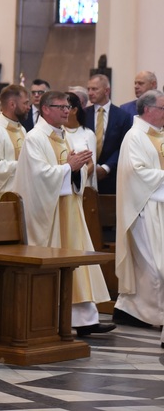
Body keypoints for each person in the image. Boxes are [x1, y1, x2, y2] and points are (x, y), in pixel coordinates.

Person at [13, 90, 113, 336]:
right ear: (46, 109)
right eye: (60, 107)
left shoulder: (64, 136)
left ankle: (85, 319)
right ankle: (55, 317)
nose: (66, 111)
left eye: (68, 107)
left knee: (77, 262)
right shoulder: (35, 138)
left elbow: (69, 172)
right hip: (50, 213)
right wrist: (70, 167)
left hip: (69, 208)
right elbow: (39, 177)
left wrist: (79, 169)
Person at [114, 89, 164, 330]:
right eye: (163, 109)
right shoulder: (134, 136)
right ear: (148, 110)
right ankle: (145, 313)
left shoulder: (159, 135)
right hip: (143, 208)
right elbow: (136, 173)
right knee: (154, 266)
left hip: (159, 207)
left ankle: (130, 310)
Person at [87, 73, 134, 194]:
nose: (90, 93)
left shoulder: (122, 116)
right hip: (86, 176)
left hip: (111, 178)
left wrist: (106, 168)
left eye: (94, 89)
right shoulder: (83, 114)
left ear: (106, 90)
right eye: (89, 89)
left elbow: (124, 146)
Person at [64, 91, 97, 192]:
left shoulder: (88, 134)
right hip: (62, 185)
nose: (63, 111)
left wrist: (78, 176)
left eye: (66, 107)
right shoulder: (58, 132)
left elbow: (92, 164)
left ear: (74, 110)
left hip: (82, 187)